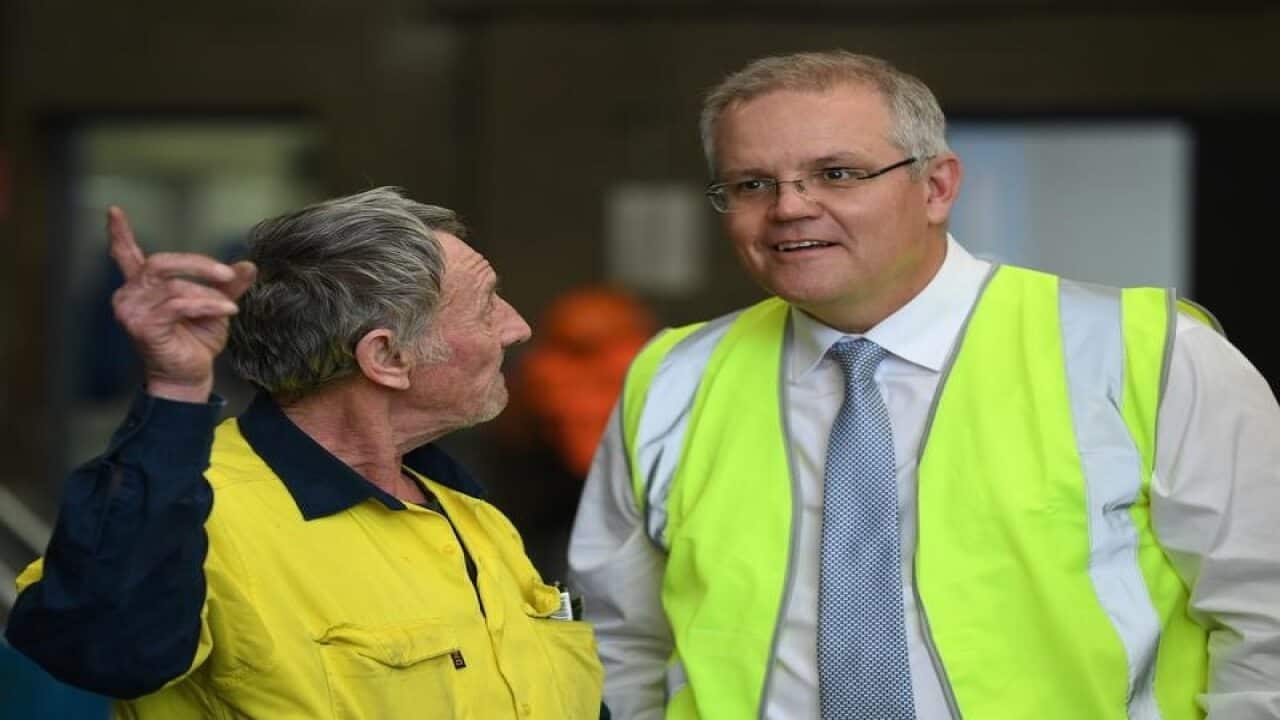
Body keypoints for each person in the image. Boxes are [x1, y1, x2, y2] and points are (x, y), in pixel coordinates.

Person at [567, 50, 1280, 720]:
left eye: (837, 174)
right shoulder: (672, 379)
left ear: (936, 187)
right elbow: (622, 638)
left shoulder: (1145, 353)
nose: (790, 208)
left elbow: (1264, 615)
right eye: (753, 184)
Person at [7, 187, 606, 719]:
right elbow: (98, 650)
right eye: (486, 305)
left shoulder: (468, 513)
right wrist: (177, 394)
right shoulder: (192, 507)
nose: (518, 327)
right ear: (387, 358)